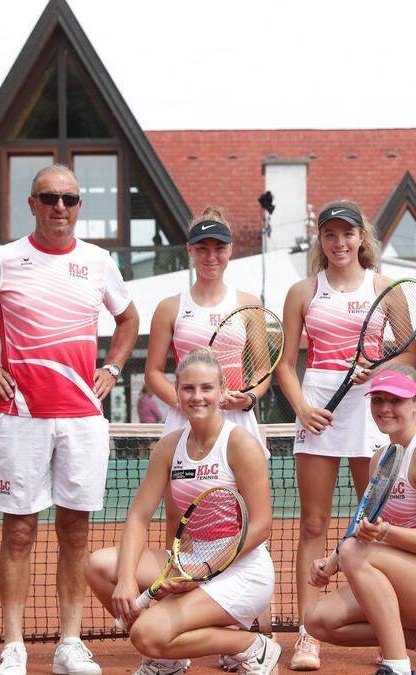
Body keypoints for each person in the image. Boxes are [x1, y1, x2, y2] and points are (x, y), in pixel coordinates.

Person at [0, 163, 139, 675]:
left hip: (83, 420)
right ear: (32, 204)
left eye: (69, 199)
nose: (60, 208)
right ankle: (14, 646)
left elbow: (129, 317)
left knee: (75, 533)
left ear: (78, 207)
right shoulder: (4, 260)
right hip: (20, 419)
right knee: (20, 533)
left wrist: (113, 366)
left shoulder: (97, 262)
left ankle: (69, 644)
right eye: (49, 198)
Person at [274, 200, 416, 670]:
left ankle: (387, 627)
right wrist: (302, 407)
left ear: (362, 238)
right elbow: (285, 364)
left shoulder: (385, 289)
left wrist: (377, 369)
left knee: (374, 524)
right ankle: (306, 633)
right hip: (318, 405)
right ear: (321, 240)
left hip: (373, 410)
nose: (339, 243)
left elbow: (411, 358)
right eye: (330, 234)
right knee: (313, 524)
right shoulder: (302, 291)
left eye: (347, 234)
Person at [86, 349, 279, 675]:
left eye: (206, 388)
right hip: (190, 560)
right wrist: (126, 580)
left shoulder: (241, 444)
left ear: (221, 392)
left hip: (242, 569)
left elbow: (261, 526)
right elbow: (138, 517)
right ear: (176, 393)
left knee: (146, 634)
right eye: (188, 388)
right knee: (98, 566)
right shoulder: (170, 446)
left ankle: (250, 647)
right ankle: (167, 660)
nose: (197, 396)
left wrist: (203, 571)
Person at [142, 207, 274, 666]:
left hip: (237, 426)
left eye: (218, 247)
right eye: (202, 247)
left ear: (230, 251)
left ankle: (248, 635)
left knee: (245, 521)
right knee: (183, 527)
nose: (210, 255)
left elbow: (262, 375)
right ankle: (185, 631)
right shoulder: (170, 307)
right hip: (185, 425)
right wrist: (187, 403)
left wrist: (249, 399)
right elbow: (153, 373)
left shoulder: (249, 303)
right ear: (191, 252)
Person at [305, 365, 416, 675]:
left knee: (355, 554)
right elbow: (366, 526)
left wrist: (384, 533)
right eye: (378, 400)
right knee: (319, 620)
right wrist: (330, 563)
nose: (385, 409)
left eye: (396, 400)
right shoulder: (381, 458)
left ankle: (396, 666)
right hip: (413, 573)